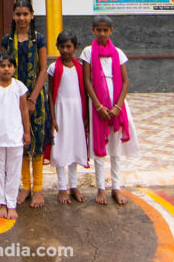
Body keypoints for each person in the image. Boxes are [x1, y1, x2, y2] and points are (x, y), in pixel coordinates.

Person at [81, 15, 139, 205]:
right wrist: (97, 106)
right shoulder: (88, 52)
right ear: (93, 31)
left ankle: (116, 187)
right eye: (99, 30)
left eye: (106, 30)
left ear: (111, 31)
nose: (102, 33)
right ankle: (100, 188)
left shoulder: (118, 53)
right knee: (99, 146)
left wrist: (118, 106)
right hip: (98, 104)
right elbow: (87, 81)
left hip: (117, 106)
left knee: (115, 147)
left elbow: (126, 82)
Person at [0, 0, 50, 208]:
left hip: (34, 99)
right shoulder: (6, 40)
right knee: (19, 141)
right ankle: (25, 185)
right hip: (12, 100)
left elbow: (43, 69)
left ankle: (37, 187)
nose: (21, 18)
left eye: (25, 14)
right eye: (18, 14)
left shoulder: (38, 39)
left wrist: (32, 98)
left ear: (32, 16)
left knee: (36, 141)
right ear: (13, 16)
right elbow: (3, 68)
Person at [0, 51, 30, 220]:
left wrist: (26, 131)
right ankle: (2, 202)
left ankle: (11, 203)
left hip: (15, 136)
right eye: (2, 66)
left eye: (9, 66)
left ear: (14, 68)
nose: (6, 69)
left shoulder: (19, 87)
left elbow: (24, 110)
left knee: (13, 171)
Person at [47, 31, 88, 204]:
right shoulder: (53, 68)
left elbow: (84, 92)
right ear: (57, 47)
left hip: (77, 111)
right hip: (61, 110)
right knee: (61, 147)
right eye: (62, 47)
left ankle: (74, 185)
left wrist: (85, 117)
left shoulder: (80, 67)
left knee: (75, 146)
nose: (65, 50)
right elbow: (50, 93)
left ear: (75, 47)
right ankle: (62, 187)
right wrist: (53, 117)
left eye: (68, 47)